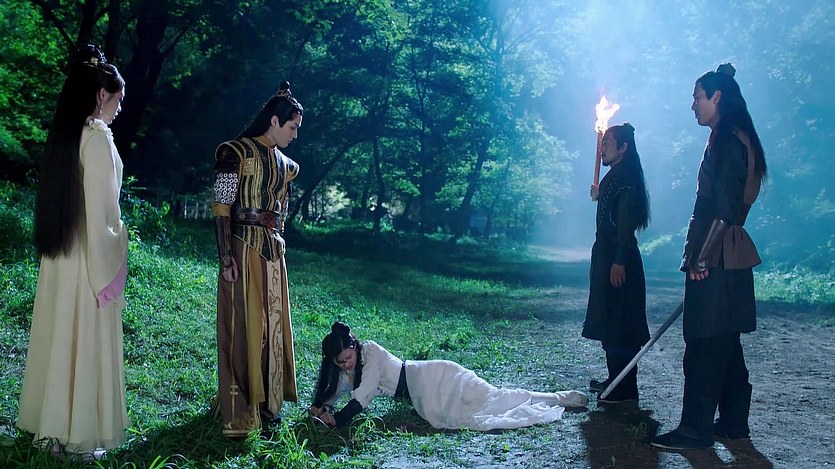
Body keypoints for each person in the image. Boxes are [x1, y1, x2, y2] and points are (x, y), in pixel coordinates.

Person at [17, 44, 129, 457]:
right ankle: (78, 435)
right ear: (101, 95)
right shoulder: (96, 139)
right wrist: (120, 239)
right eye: (118, 99)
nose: (119, 108)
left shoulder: (67, 136)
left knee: (59, 336)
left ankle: (52, 428)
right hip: (86, 259)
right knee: (82, 340)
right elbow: (102, 214)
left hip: (61, 255)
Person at [652, 63, 767, 450]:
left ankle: (695, 430)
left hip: (717, 258)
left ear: (717, 97)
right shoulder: (733, 137)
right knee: (725, 342)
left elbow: (725, 207)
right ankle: (733, 422)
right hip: (723, 256)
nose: (693, 105)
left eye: (697, 97)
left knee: (704, 344)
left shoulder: (729, 142)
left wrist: (702, 257)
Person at [212, 81, 303, 436]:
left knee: (273, 329)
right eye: (292, 126)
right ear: (275, 121)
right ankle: (240, 411)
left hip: (274, 252)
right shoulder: (234, 153)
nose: (295, 134)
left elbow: (282, 212)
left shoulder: (288, 166)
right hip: (242, 247)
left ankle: (268, 406)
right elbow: (221, 207)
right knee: (243, 327)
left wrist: (279, 246)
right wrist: (226, 257)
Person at [309, 322, 589, 431]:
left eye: (348, 357)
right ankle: (554, 398)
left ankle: (558, 397)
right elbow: (337, 391)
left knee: (495, 397)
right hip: (424, 396)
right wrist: (321, 408)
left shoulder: (371, 353)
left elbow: (363, 395)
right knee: (482, 409)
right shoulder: (349, 370)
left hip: (438, 376)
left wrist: (338, 420)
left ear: (354, 346)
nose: (346, 364)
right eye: (340, 362)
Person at [583, 123, 651, 403]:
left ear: (623, 148)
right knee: (610, 321)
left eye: (608, 143)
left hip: (617, 258)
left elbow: (624, 224)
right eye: (603, 144)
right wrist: (600, 194)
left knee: (621, 323)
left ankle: (624, 388)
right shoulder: (616, 177)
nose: (602, 149)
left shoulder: (626, 181)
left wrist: (619, 260)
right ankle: (615, 379)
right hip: (607, 256)